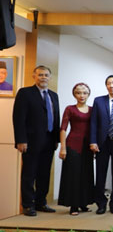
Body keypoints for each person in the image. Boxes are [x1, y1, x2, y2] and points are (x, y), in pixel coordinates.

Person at [13, 65, 60, 216]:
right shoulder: (25, 93)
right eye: (40, 75)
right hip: (30, 141)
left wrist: (57, 139)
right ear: (34, 76)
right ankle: (27, 205)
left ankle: (41, 202)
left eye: (46, 75)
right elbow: (18, 118)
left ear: (50, 77)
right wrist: (21, 140)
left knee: (44, 174)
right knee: (29, 173)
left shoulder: (54, 95)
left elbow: (56, 117)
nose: (43, 77)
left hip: (49, 140)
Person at [90, 75, 113, 214]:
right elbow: (93, 123)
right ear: (106, 86)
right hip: (102, 142)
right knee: (100, 173)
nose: (112, 86)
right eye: (109, 83)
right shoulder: (99, 101)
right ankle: (101, 202)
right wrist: (93, 141)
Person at [58, 83, 94, 215]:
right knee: (73, 175)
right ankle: (73, 205)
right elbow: (63, 128)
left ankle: (83, 203)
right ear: (74, 94)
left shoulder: (92, 109)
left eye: (84, 93)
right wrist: (62, 148)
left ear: (88, 94)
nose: (82, 95)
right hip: (72, 145)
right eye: (78, 93)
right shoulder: (70, 109)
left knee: (86, 174)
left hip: (87, 146)